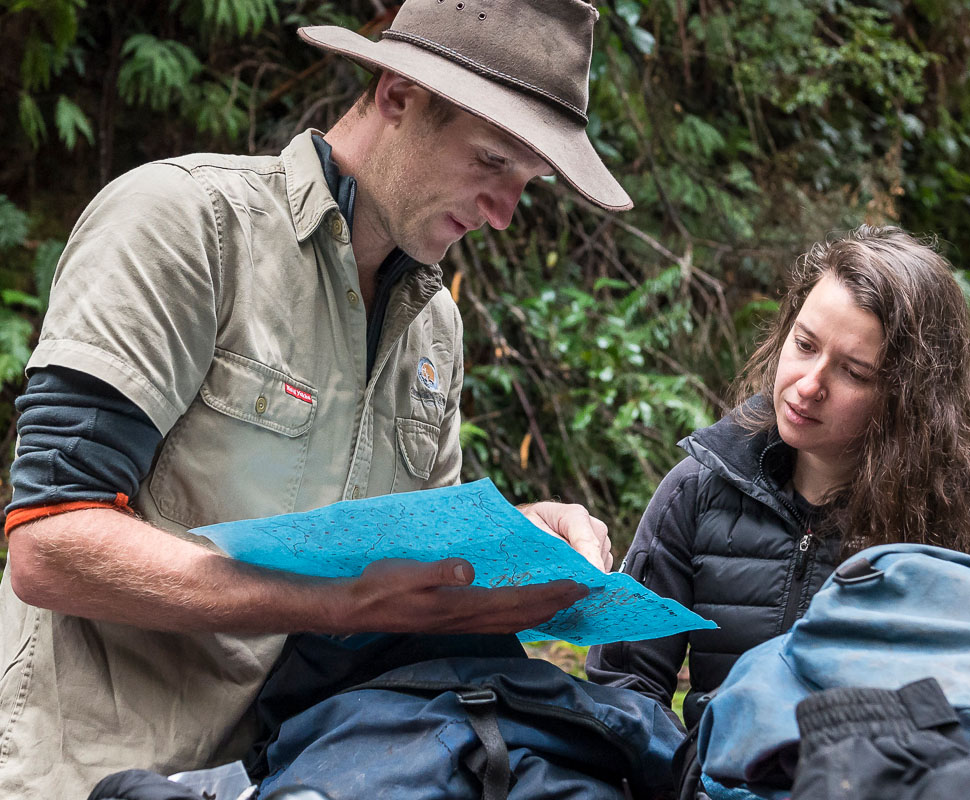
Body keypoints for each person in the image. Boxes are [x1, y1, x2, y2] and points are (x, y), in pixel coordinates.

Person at [0, 0, 628, 796]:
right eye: (491, 162)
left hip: (300, 770)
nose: (504, 214)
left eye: (527, 183)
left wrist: (515, 543)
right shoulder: (185, 224)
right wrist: (339, 601)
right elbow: (51, 543)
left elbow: (407, 568)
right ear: (397, 95)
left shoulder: (434, 326)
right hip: (91, 769)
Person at [587, 225, 970, 732]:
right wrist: (688, 774)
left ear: (910, 397)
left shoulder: (948, 519)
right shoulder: (697, 490)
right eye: (805, 344)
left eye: (854, 373)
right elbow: (622, 684)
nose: (809, 385)